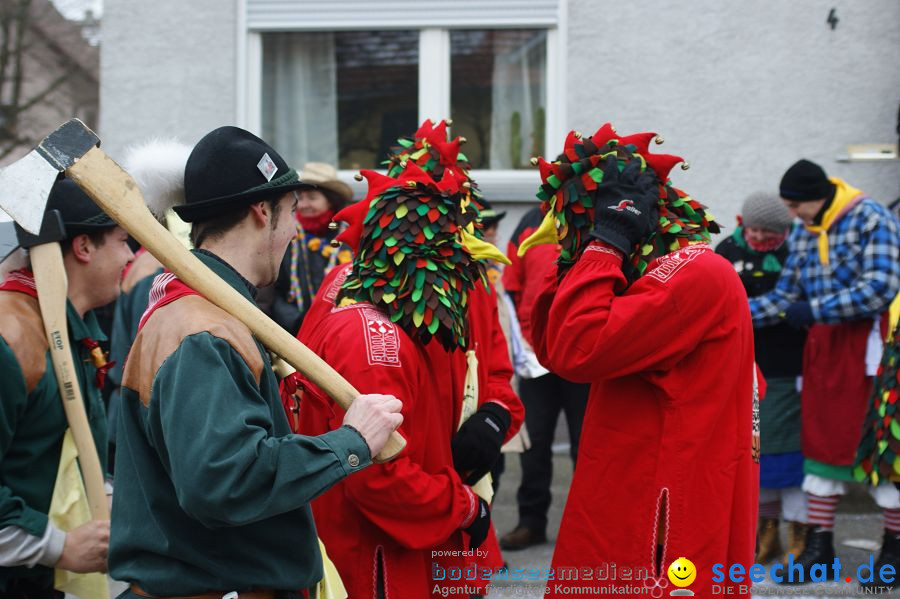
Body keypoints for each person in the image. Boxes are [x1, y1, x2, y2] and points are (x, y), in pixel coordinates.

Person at [107, 126, 403, 598]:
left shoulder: (204, 315)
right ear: (262, 212)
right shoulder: (203, 332)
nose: (293, 231)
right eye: (290, 214)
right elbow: (225, 481)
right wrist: (351, 442)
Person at [522, 124, 758, 598]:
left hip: (660, 510)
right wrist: (581, 259)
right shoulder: (657, 274)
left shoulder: (695, 271)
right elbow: (553, 346)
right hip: (633, 485)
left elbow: (579, 346)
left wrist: (606, 245)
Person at [297, 159, 514, 598]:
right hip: (384, 553)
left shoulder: (409, 310)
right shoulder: (374, 335)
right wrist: (464, 507)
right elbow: (377, 474)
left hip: (420, 530)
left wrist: (494, 414)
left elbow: (490, 371)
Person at [749, 159, 900, 586]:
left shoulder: (874, 219)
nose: (791, 217)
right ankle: (819, 550)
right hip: (824, 350)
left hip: (872, 350)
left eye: (796, 207)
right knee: (821, 445)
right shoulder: (803, 229)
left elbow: (881, 286)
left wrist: (816, 309)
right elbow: (787, 294)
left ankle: (894, 551)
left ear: (819, 197)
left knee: (881, 450)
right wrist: (734, 315)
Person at [0, 180, 133, 598]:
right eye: (123, 241)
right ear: (84, 247)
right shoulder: (10, 339)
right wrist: (57, 545)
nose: (131, 256)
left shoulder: (68, 328)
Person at [716, 192, 808, 565]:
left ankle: (799, 534)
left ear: (783, 232)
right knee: (758, 454)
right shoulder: (726, 250)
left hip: (788, 369)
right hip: (744, 368)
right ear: (742, 223)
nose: (759, 238)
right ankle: (765, 533)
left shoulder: (796, 252)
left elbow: (788, 303)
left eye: (768, 234)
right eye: (753, 230)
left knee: (788, 454)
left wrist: (736, 313)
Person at [499, 206, 589, 552]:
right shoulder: (529, 224)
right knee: (534, 444)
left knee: (587, 446)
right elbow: (511, 286)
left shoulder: (591, 220)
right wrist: (524, 343)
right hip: (536, 359)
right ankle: (531, 523)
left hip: (582, 356)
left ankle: (584, 527)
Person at [266, 162, 354, 335]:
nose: (304, 205)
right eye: (300, 198)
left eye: (312, 198)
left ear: (331, 201)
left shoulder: (351, 238)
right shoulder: (285, 237)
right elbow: (272, 293)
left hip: (345, 331)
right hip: (296, 335)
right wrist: (300, 323)